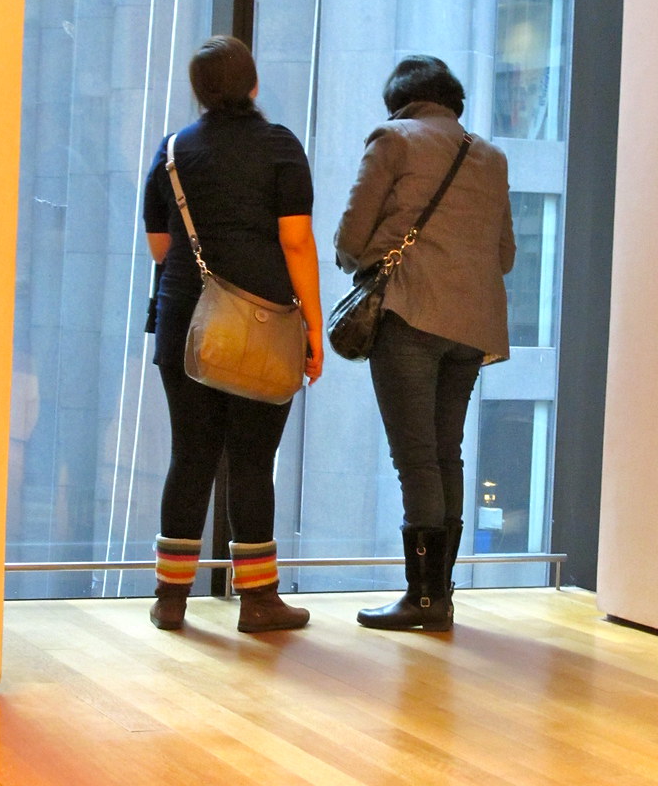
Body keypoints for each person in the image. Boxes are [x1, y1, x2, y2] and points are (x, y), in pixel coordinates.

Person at [143, 35, 323, 633]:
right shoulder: (279, 147)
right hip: (265, 327)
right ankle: (257, 600)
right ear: (253, 82)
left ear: (199, 91)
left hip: (186, 326)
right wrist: (314, 330)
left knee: (191, 455)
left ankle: (171, 598)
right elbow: (296, 241)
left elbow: (159, 247)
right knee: (252, 460)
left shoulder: (171, 153)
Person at [334, 56, 515, 631]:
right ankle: (441, 596)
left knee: (415, 459)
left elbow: (349, 238)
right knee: (445, 454)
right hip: (472, 329)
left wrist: (366, 259)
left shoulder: (392, 139)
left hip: (410, 315)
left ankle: (423, 599)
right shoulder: (490, 156)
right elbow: (505, 255)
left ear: (400, 101)